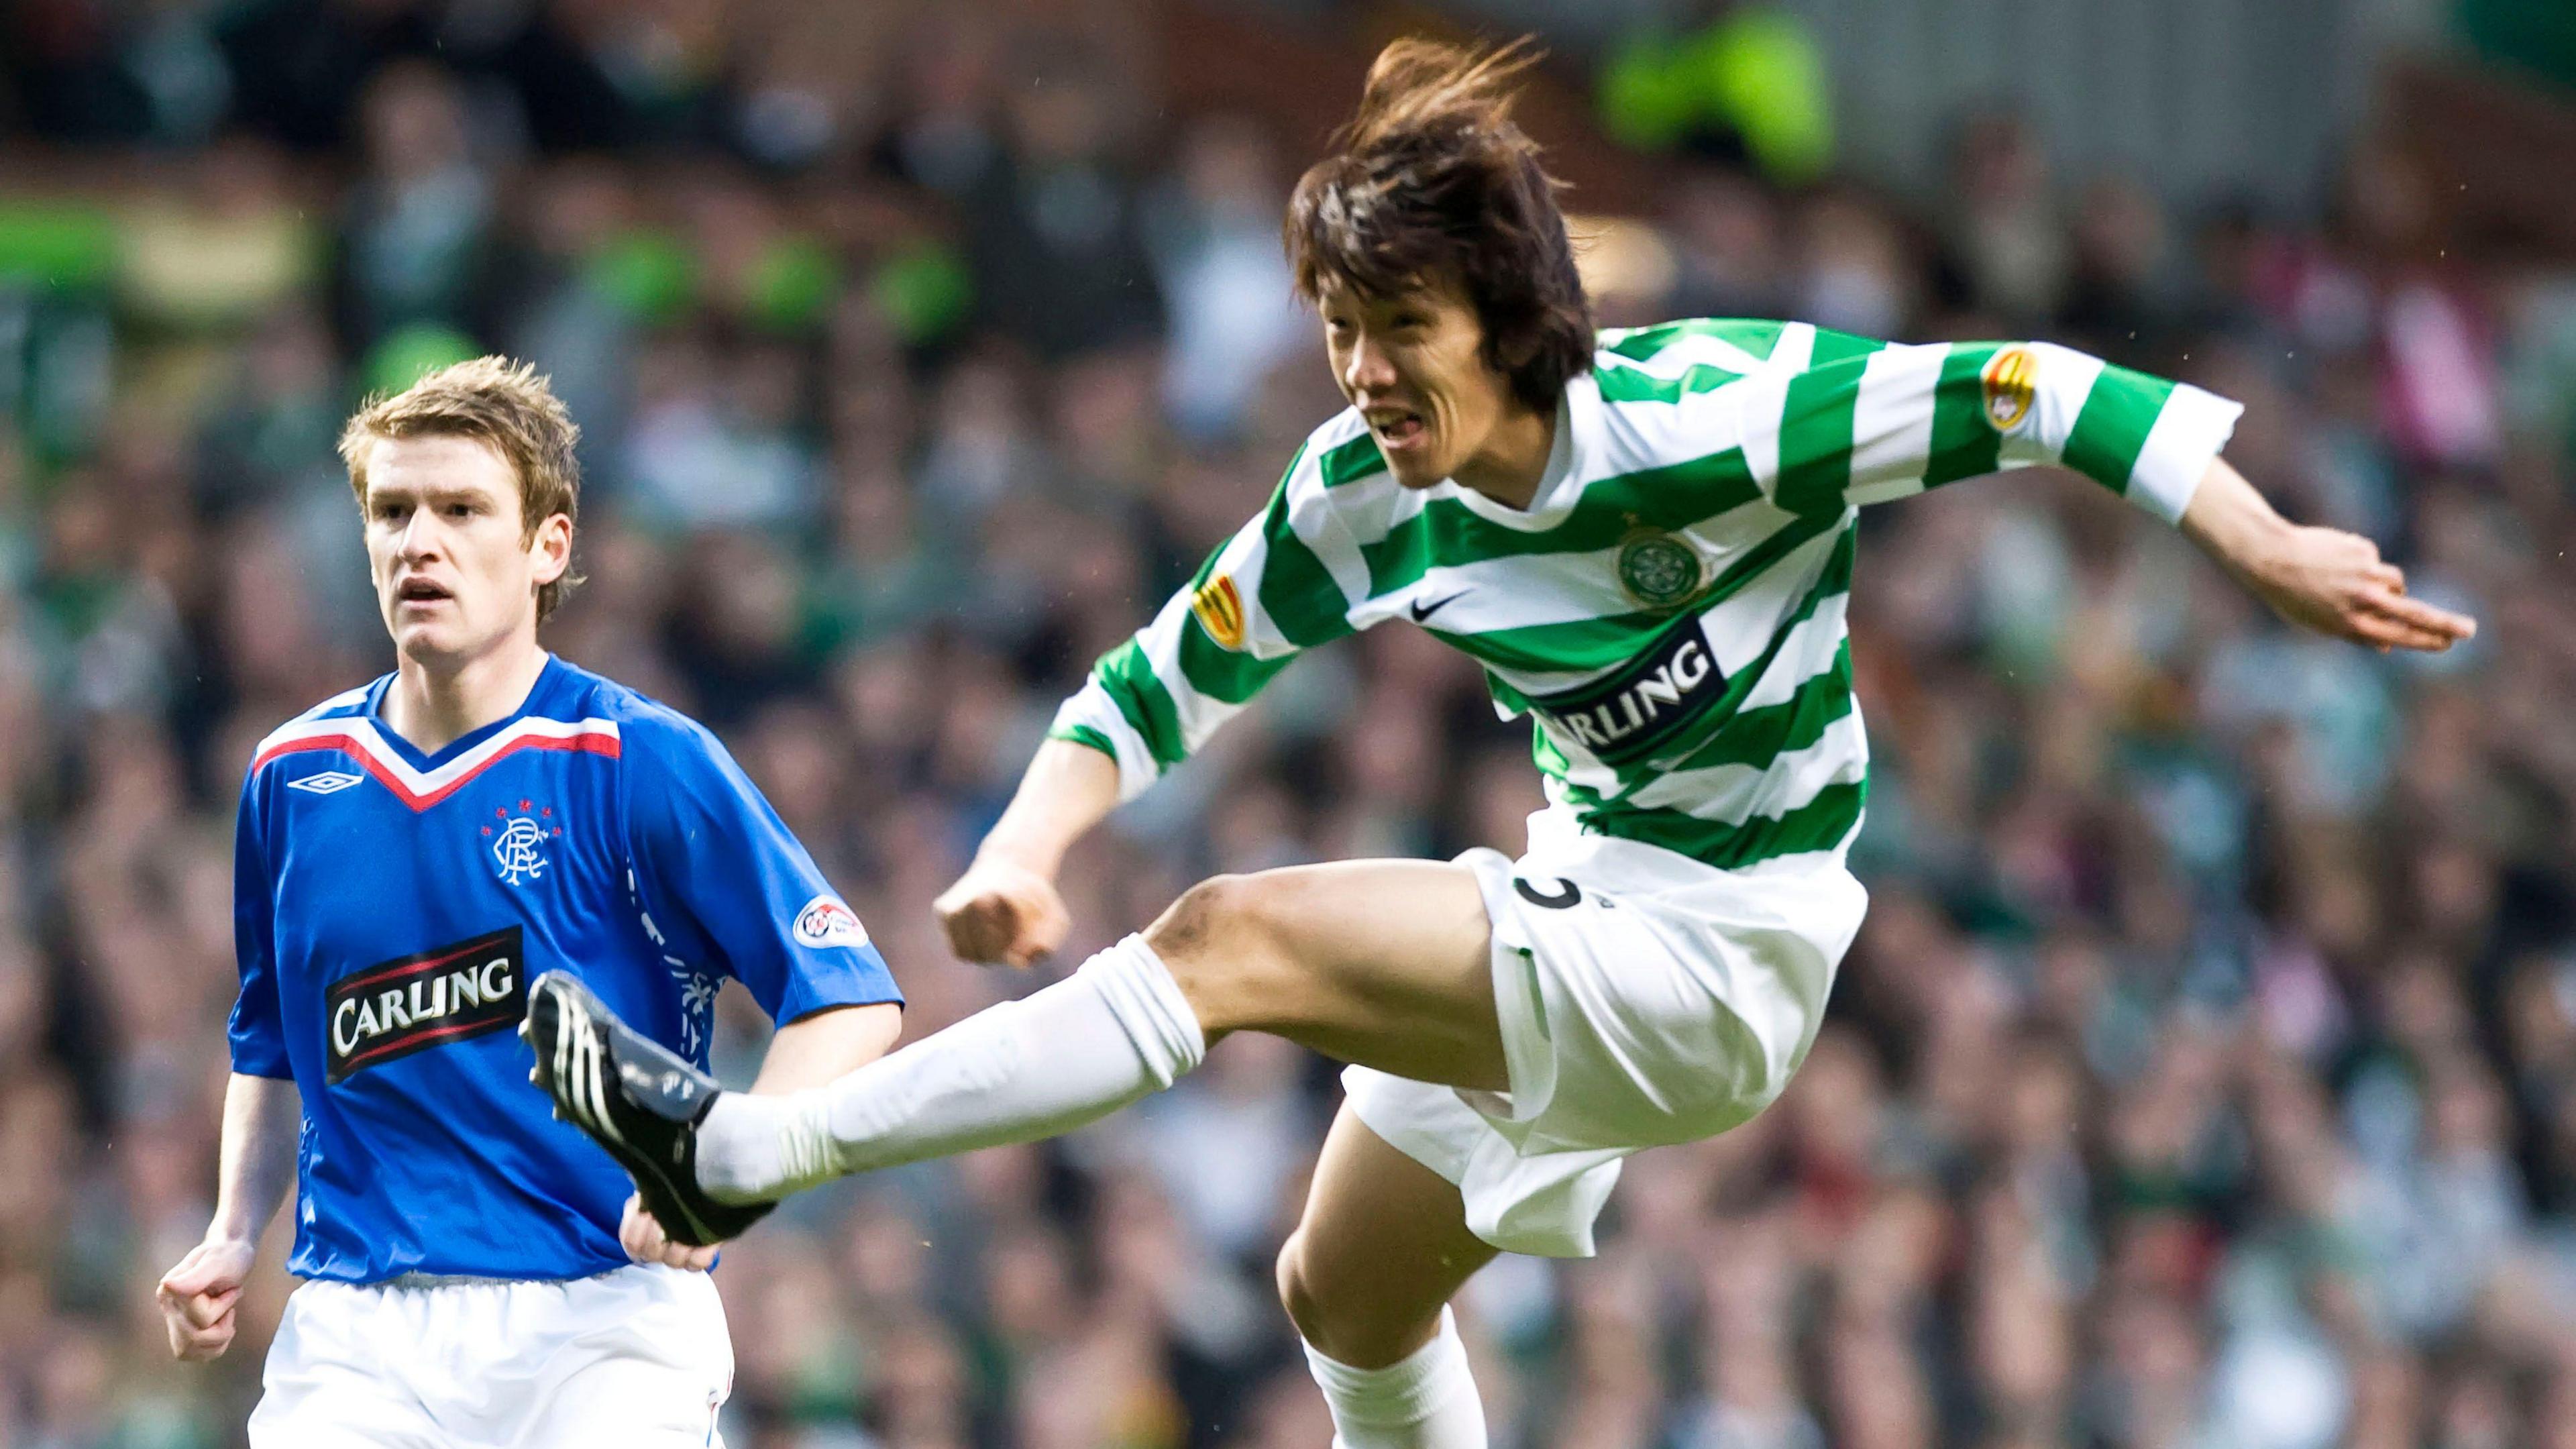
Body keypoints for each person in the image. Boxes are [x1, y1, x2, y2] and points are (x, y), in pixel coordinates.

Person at [527, 40, 2475, 1449]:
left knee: (1230, 942)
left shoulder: (1716, 415)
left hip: (1734, 947)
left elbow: (2033, 385)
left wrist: (2266, 538)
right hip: (1583, 892)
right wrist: (1030, 845)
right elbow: (1152, 684)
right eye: (1336, 330)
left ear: (1509, 310)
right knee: (1341, 1299)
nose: (1363, 375)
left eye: (1398, 329)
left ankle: (740, 1152)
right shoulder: (1364, 488)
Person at [154, 357, 904, 1446]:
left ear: (547, 546)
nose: (421, 540)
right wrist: (231, 1231)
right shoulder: (291, 775)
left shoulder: (636, 759)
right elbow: (270, 1049)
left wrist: (719, 1165)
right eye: (393, 511)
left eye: (462, 510)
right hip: (358, 1331)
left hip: (603, 1317)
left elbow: (849, 1002)